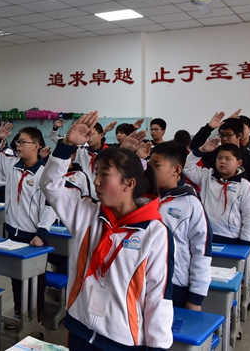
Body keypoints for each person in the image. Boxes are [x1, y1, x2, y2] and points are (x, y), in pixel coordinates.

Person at [39, 111, 174, 351]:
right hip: (80, 327)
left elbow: (158, 296)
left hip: (121, 340)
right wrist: (67, 145)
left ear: (129, 183)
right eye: (96, 174)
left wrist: (157, 347)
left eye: (104, 175)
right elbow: (50, 185)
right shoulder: (88, 213)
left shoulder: (154, 232)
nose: (96, 182)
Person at [0, 123, 56, 324]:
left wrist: (42, 233)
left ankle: (36, 316)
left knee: (36, 279)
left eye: (23, 142)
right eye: (18, 142)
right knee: (16, 277)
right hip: (13, 233)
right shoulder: (12, 166)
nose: (18, 145)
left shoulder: (45, 174)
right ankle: (19, 312)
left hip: (34, 236)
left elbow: (49, 206)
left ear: (36, 146)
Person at [150, 142, 212, 310]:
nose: (150, 170)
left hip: (176, 284)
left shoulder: (191, 203)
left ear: (176, 170)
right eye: (149, 165)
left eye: (157, 166)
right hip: (145, 282)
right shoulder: (143, 198)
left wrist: (196, 297)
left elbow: (201, 251)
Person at [184, 139, 250, 246]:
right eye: (219, 158)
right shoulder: (206, 176)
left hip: (230, 238)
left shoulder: (245, 186)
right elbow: (186, 167)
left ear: (239, 163)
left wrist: (245, 243)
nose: (222, 161)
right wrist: (201, 150)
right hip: (203, 235)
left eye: (228, 159)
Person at [189, 111, 250, 212]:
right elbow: (194, 146)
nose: (224, 139)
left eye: (228, 135)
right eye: (221, 135)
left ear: (240, 135)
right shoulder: (214, 152)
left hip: (237, 208)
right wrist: (209, 128)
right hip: (212, 204)